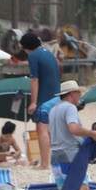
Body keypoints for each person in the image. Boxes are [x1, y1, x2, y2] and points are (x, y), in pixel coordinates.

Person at [48, 80, 96, 190]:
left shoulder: (53, 110)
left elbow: (49, 132)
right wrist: (92, 134)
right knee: (83, 188)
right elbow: (73, 128)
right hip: (70, 155)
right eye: (79, 93)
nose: (80, 96)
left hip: (56, 155)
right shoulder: (70, 107)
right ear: (72, 94)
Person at [22, 31, 61, 171]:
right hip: (57, 96)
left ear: (26, 47)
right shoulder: (50, 54)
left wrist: (33, 102)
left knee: (41, 130)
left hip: (45, 99)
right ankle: (51, 161)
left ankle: (45, 164)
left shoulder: (33, 56)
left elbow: (34, 79)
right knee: (51, 131)